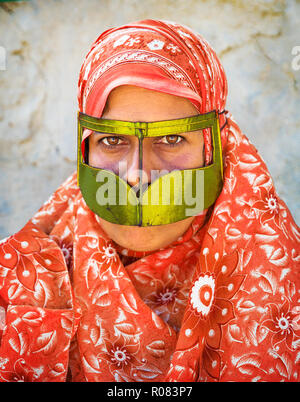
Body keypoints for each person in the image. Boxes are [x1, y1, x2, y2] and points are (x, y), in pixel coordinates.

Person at [0, 19, 299, 383]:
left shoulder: (283, 281)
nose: (137, 175)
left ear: (214, 148)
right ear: (86, 148)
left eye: (172, 139)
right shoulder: (17, 285)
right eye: (112, 140)